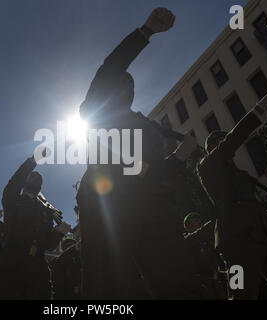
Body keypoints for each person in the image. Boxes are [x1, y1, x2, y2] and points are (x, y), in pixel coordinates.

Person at [77, 7, 203, 299]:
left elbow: (159, 170)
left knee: (176, 280)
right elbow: (112, 65)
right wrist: (146, 31)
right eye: (117, 82)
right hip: (107, 201)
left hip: (151, 202)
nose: (122, 86)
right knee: (108, 283)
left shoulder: (148, 127)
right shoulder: (97, 111)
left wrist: (182, 156)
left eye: (127, 84)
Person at [196, 91, 267, 299]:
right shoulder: (207, 166)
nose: (225, 143)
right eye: (219, 142)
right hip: (235, 244)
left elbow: (250, 208)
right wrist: (259, 109)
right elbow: (230, 143)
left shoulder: (241, 175)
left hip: (265, 237)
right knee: (240, 295)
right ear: (211, 149)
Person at [0, 156, 71, 299]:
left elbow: (49, 244)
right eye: (32, 176)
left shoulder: (46, 211)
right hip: (12, 264)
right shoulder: (13, 201)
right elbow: (14, 182)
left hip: (38, 268)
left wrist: (59, 232)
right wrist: (33, 161)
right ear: (24, 182)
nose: (36, 178)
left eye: (39, 179)